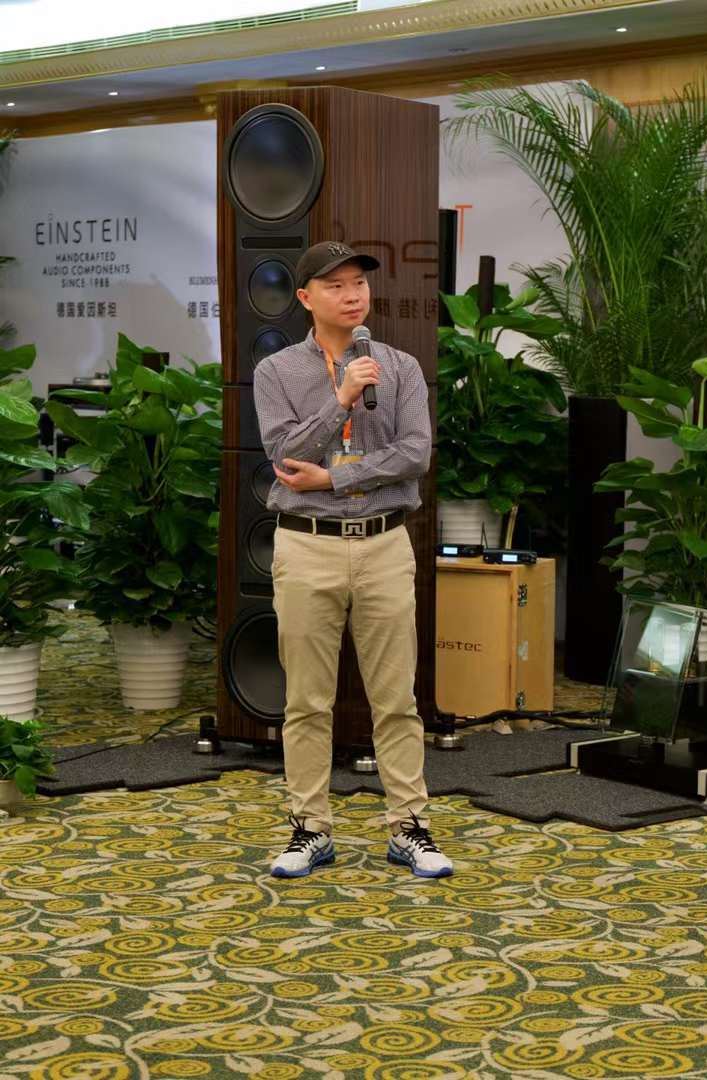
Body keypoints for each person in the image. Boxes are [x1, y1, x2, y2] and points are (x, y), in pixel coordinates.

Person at [252, 240, 452, 880]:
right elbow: (286, 456)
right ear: (306, 298)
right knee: (307, 701)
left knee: (396, 698)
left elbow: (415, 454)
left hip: (384, 544)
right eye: (335, 285)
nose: (352, 295)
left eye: (359, 283)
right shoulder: (276, 372)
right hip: (306, 545)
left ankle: (408, 826)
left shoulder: (400, 367)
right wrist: (338, 398)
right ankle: (310, 828)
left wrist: (336, 477)